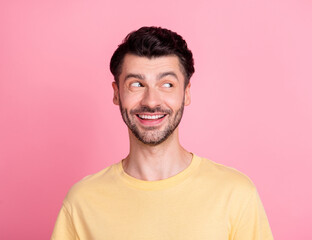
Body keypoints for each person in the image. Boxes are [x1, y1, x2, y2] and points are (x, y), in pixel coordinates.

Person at [51, 26, 273, 240]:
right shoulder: (82, 202)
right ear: (117, 93)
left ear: (186, 93)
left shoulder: (236, 194)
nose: (151, 101)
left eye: (167, 85)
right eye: (136, 84)